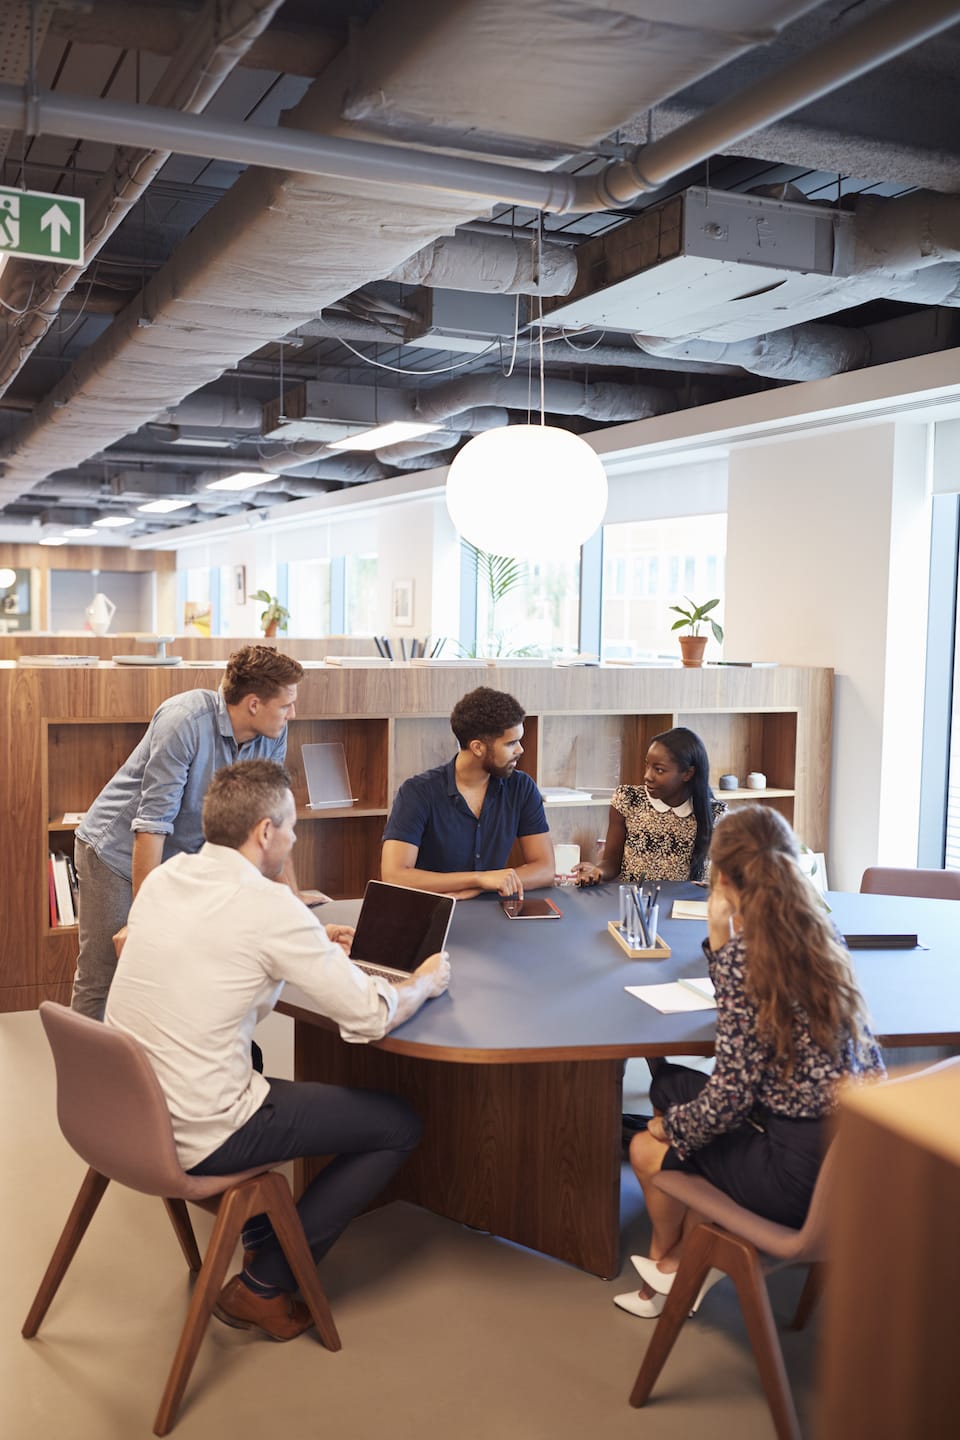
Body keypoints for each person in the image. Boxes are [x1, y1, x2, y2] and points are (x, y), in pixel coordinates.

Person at [105, 759, 450, 1341]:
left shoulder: (166, 878)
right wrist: (424, 981)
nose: (294, 838)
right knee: (398, 1123)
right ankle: (265, 1284)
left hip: (124, 1116)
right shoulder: (269, 906)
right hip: (199, 1129)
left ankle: (264, 1233)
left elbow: (212, 958)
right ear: (265, 831)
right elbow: (367, 1015)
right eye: (291, 826)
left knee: (260, 1066)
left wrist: (312, 944)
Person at [614, 805, 885, 1318]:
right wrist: (722, 942)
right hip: (853, 1163)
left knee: (648, 1146)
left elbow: (730, 1100)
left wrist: (667, 1127)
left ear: (722, 876)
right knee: (670, 1083)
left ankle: (668, 1271)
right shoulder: (823, 938)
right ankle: (676, 1269)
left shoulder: (749, 960)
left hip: (794, 1180)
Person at [72, 644, 316, 1021]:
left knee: (170, 969)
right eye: (286, 705)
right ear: (254, 704)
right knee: (105, 973)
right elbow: (151, 827)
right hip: (117, 855)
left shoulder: (272, 734)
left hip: (179, 860)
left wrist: (294, 899)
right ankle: (83, 1078)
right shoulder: (184, 720)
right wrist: (144, 919)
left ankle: (146, 1072)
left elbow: (270, 820)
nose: (292, 713)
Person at [381, 685, 554, 899]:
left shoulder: (521, 787)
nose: (520, 750)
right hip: (432, 912)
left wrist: (484, 886)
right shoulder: (417, 792)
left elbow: (545, 868)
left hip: (493, 913)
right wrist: (478, 878)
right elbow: (394, 876)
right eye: (511, 743)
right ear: (477, 747)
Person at [575, 726, 725, 885]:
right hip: (636, 902)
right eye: (647, 765)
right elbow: (612, 862)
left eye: (659, 770)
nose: (647, 776)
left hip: (684, 907)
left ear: (687, 774)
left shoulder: (715, 814)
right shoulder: (628, 799)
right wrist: (598, 870)